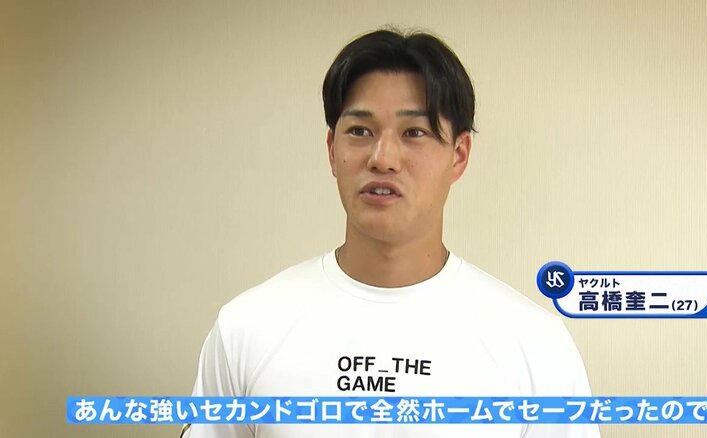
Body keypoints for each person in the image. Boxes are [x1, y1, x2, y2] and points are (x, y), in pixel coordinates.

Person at [182, 28, 600, 438]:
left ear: (458, 155)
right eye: (360, 131)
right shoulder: (247, 328)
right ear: (332, 150)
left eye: (414, 132)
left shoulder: (535, 345)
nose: (383, 159)